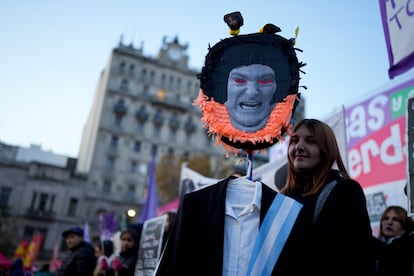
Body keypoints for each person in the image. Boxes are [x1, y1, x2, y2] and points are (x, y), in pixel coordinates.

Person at [280, 118, 374, 275]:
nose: (299, 147)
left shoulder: (345, 191)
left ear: (326, 149)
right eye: (295, 140)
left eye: (310, 141)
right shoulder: (283, 198)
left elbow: (360, 258)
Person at [372, 205, 414, 276]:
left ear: (405, 224)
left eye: (395, 219)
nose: (389, 222)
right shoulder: (380, 246)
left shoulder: (408, 245)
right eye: (385, 218)